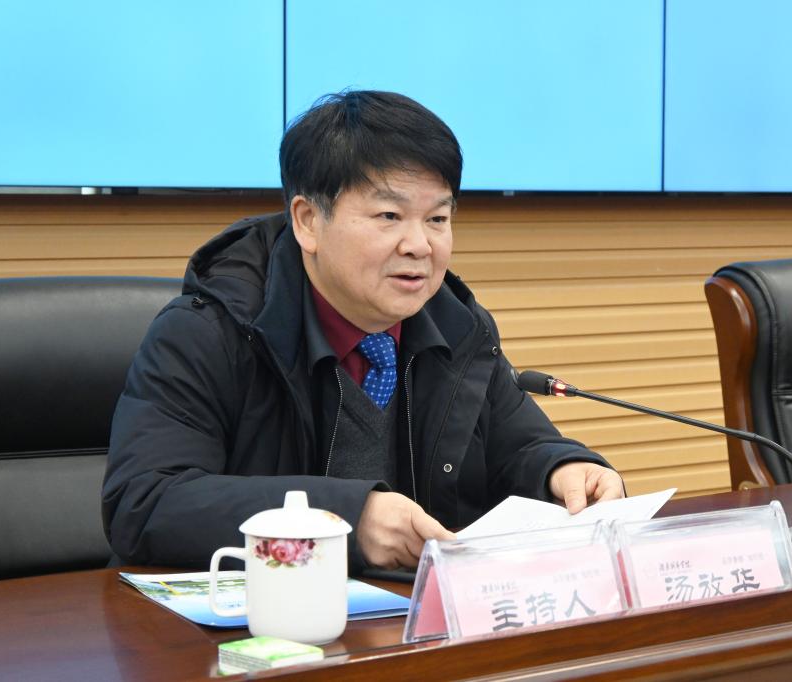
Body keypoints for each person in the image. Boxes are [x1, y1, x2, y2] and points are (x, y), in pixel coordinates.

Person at [102, 91, 624, 574]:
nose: (419, 245)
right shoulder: (210, 332)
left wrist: (565, 468)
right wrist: (345, 518)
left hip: (404, 621)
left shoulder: (458, 329)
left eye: (437, 219)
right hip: (257, 623)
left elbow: (519, 444)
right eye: (389, 215)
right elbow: (143, 503)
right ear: (308, 221)